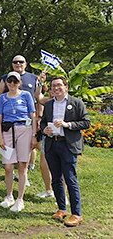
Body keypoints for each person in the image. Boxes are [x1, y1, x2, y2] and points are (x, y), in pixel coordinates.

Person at [40, 76, 90, 227]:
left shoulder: (76, 103)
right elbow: (42, 123)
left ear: (66, 87)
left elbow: (86, 122)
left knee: (70, 178)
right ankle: (62, 208)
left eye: (59, 85)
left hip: (68, 145)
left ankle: (77, 213)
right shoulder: (49, 105)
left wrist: (67, 124)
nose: (56, 88)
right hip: (51, 145)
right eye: (53, 86)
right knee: (55, 178)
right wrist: (45, 130)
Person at [0, 71, 37, 212]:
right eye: (9, 81)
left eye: (15, 81)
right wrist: (0, 136)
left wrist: (34, 134)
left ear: (19, 83)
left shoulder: (26, 95)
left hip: (24, 129)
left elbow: (33, 114)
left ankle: (20, 198)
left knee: (22, 165)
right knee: (8, 166)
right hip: (8, 131)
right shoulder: (2, 98)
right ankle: (9, 195)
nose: (12, 84)